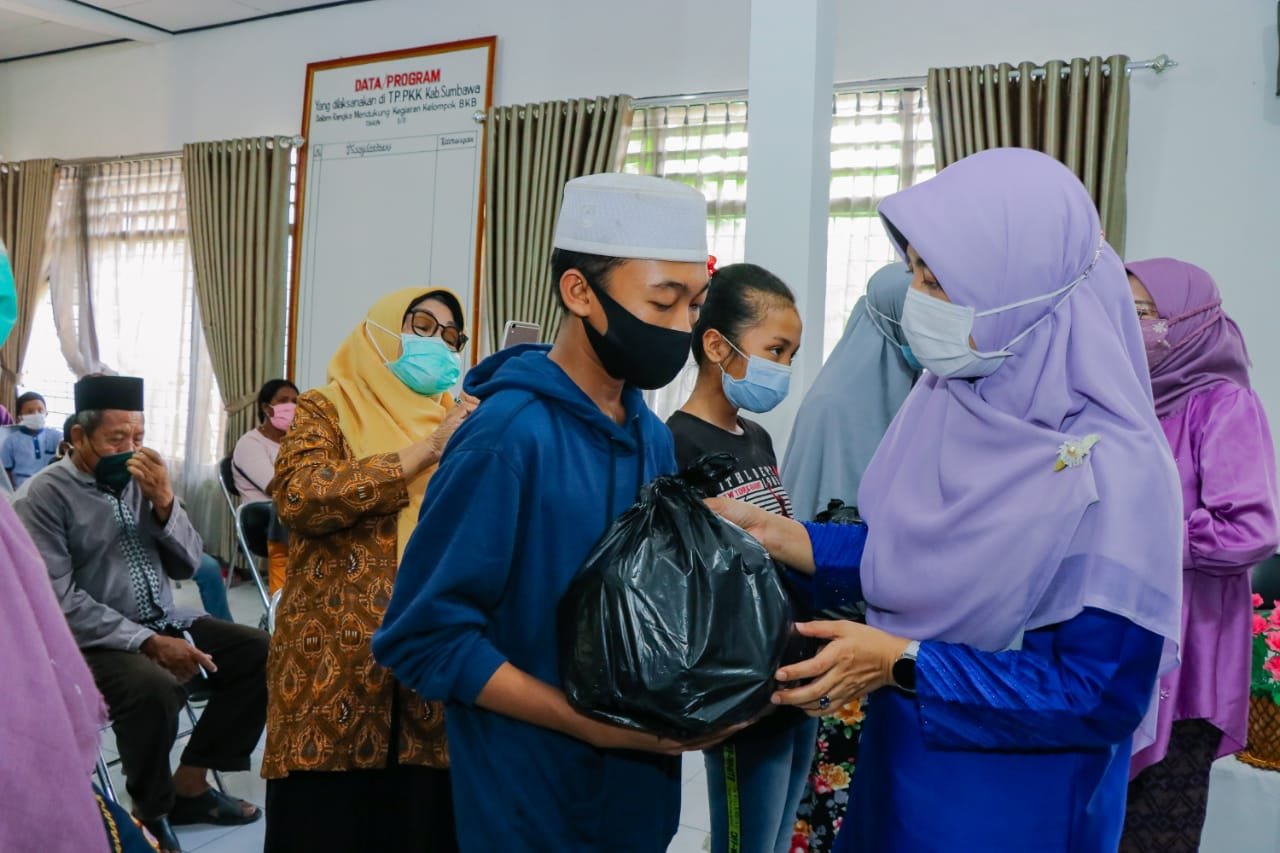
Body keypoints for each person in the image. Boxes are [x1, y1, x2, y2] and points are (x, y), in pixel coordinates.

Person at [709, 148, 1183, 852]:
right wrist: (780, 535)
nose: (920, 300)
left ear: (1022, 291)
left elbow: (1096, 693)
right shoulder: (951, 401)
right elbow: (912, 550)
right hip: (902, 769)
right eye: (915, 274)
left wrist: (903, 661)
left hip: (1015, 805)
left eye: (940, 281)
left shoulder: (1115, 466)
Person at [373, 173, 724, 851]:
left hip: (637, 802)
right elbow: (423, 637)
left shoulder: (651, 437)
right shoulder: (508, 436)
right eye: (663, 301)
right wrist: (589, 724)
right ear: (579, 292)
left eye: (695, 304)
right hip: (531, 800)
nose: (684, 326)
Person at [14, 375, 267, 853]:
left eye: (139, 437)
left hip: (166, 617)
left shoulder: (145, 481)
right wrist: (146, 642)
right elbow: (58, 600)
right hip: (89, 641)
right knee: (154, 689)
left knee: (260, 653)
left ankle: (190, 784)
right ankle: (151, 810)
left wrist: (165, 504)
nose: (131, 450)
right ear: (79, 437)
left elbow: (190, 565)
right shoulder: (43, 497)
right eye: (116, 439)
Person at [262, 288, 475, 853]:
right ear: (379, 331)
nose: (438, 344)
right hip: (334, 657)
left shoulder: (459, 420)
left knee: (418, 818)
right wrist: (426, 449)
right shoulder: (327, 407)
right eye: (421, 326)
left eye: (451, 336)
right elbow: (301, 497)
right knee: (327, 823)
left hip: (428, 654)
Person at [1119, 259, 1280, 851]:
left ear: (1189, 319)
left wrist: (1133, 541)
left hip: (1187, 654)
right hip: (1116, 644)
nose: (1129, 325)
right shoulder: (1125, 403)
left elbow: (1249, 529)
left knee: (1155, 831)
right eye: (1121, 309)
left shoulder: (1224, 404)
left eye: (1143, 312)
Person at [665, 262, 812, 853]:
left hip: (790, 668)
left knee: (777, 835)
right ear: (716, 346)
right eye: (775, 350)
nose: (784, 368)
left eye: (792, 355)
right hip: (739, 686)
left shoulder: (757, 438)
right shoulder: (677, 442)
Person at [779, 263, 917, 853]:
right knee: (829, 797)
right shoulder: (837, 405)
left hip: (892, 642)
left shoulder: (921, 401)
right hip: (839, 630)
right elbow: (816, 525)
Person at [231, 378, 299, 595]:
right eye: (283, 400)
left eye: (295, 401)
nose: (291, 406)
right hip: (262, 521)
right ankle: (282, 601)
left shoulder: (298, 442)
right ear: (266, 408)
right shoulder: (250, 443)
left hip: (294, 511)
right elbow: (275, 487)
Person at [2, 390, 63, 487]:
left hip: (50, 487)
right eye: (30, 412)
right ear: (20, 416)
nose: (36, 414)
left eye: (40, 410)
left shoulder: (57, 437)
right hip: (21, 488)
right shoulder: (11, 441)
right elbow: (6, 471)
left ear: (46, 413)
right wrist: (13, 491)